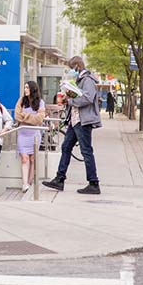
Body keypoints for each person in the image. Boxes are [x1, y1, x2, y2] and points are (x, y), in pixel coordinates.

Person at [43, 56, 102, 194]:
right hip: (75, 120)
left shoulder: (87, 80)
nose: (72, 71)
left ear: (78, 66)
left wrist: (70, 101)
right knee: (66, 147)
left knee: (86, 150)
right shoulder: (80, 79)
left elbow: (87, 98)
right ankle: (59, 178)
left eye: (72, 68)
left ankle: (94, 183)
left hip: (82, 121)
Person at [14, 81, 45, 192]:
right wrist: (31, 117)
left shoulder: (40, 102)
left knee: (33, 158)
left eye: (27, 87)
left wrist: (25, 117)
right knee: (24, 158)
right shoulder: (21, 101)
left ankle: (30, 182)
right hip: (22, 133)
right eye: (25, 87)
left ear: (33, 89)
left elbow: (40, 119)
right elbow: (17, 116)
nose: (25, 89)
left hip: (34, 134)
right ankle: (25, 183)